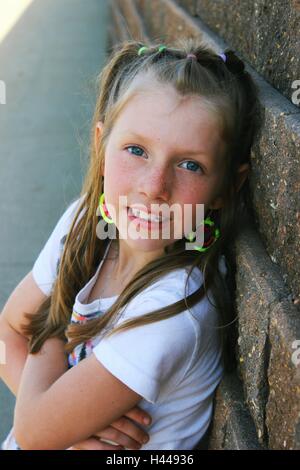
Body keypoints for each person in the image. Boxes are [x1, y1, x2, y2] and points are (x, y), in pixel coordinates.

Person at [0, 38, 261, 450]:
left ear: (227, 187)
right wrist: (78, 429)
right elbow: (4, 335)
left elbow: (33, 432)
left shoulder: (174, 311)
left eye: (190, 164)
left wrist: (50, 326)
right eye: (136, 150)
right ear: (102, 146)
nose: (155, 187)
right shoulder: (85, 223)